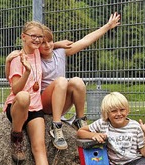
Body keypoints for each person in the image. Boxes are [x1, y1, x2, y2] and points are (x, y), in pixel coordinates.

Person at [39, 13, 121, 150]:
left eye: (50, 41)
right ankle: (56, 126)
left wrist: (107, 26)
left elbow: (85, 40)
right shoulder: (35, 57)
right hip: (45, 103)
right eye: (43, 43)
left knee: (77, 81)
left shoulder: (60, 53)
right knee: (61, 81)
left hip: (61, 102)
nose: (47, 45)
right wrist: (57, 43)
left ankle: (80, 120)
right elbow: (25, 50)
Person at [77, 92, 145, 165]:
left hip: (139, 162)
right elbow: (81, 132)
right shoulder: (102, 124)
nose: (119, 114)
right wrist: (94, 135)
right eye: (114, 111)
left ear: (127, 110)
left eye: (122, 110)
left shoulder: (134, 126)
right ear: (107, 113)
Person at [4, 22, 50, 165]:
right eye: (33, 36)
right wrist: (27, 71)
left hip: (35, 108)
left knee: (39, 146)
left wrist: (59, 44)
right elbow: (16, 89)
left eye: (40, 37)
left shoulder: (37, 52)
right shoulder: (18, 58)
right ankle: (16, 136)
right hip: (19, 106)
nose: (37, 40)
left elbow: (50, 45)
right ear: (23, 37)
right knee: (24, 96)